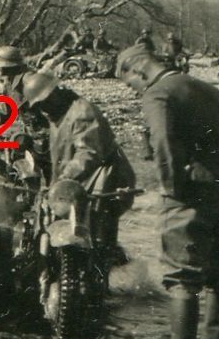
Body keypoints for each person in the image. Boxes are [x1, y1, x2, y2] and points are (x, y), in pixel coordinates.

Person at [116, 45, 219, 339]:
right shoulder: (206, 88)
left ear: (139, 69)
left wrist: (173, 190)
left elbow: (163, 145)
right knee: (218, 273)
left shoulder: (158, 94)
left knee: (181, 278)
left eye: (131, 83)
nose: (136, 91)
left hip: (189, 198)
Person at [21, 72, 135, 261]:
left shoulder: (81, 112)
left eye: (45, 102)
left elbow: (88, 154)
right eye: (39, 105)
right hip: (82, 177)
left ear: (55, 93)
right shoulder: (60, 113)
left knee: (97, 233)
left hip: (105, 177)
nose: (43, 109)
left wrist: (65, 178)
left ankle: (100, 274)